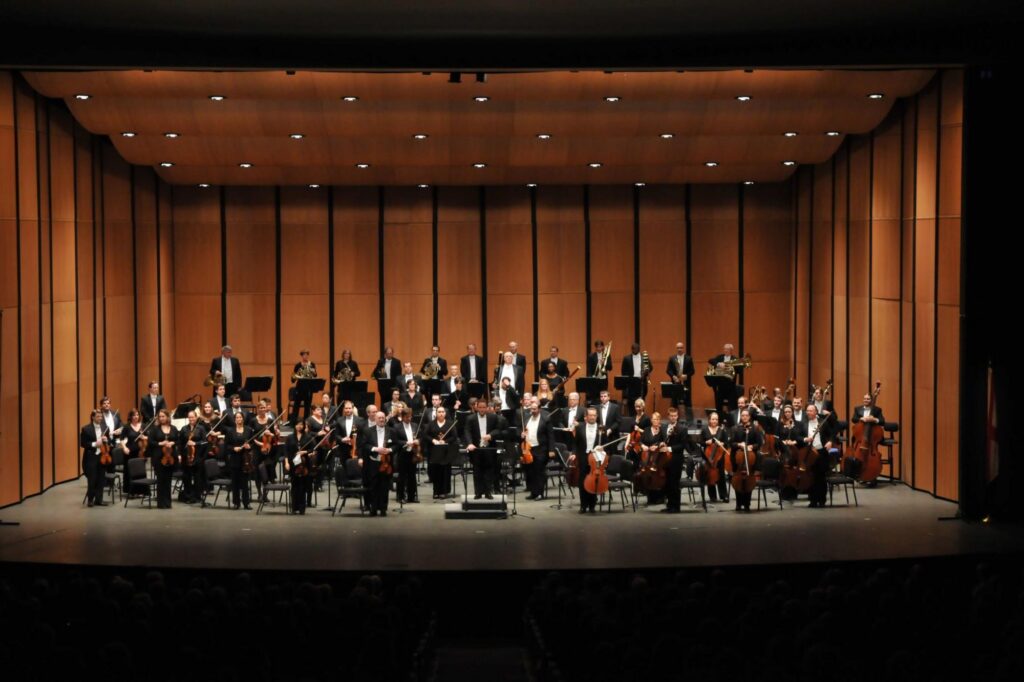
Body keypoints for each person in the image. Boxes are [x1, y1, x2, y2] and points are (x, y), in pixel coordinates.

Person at [519, 396, 555, 500]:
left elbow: (551, 436)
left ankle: (540, 493)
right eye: (531, 409)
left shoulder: (545, 419)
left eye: (534, 409)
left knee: (539, 471)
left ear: (539, 409)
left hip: (541, 449)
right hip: (529, 449)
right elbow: (523, 431)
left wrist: (551, 450)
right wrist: (522, 434)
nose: (533, 411)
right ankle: (533, 492)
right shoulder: (527, 418)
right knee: (531, 472)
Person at [464, 398, 499, 499]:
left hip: (489, 448)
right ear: (476, 407)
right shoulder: (470, 418)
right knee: (477, 471)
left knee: (489, 471)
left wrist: (491, 435)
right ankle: (478, 493)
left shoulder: (493, 417)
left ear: (487, 407)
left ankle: (488, 492)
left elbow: (498, 430)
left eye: (484, 407)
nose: (482, 409)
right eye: (480, 407)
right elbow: (467, 431)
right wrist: (470, 443)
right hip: (476, 449)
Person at [569, 407, 602, 513]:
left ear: (596, 416)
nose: (592, 417)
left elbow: (606, 444)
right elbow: (575, 443)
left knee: (594, 481)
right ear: (586, 417)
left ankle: (592, 505)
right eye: (590, 415)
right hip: (583, 457)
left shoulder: (601, 428)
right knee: (582, 481)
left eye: (594, 415)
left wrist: (602, 448)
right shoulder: (580, 427)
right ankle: (583, 505)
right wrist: (574, 453)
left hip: (596, 458)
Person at [361, 411, 394, 516]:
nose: (381, 419)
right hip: (373, 463)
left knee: (384, 486)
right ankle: (373, 508)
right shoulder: (368, 431)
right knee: (373, 486)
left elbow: (396, 445)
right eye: (379, 418)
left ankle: (383, 508)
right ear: (375, 419)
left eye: (383, 418)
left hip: (386, 463)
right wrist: (375, 449)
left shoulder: (391, 431)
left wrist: (389, 450)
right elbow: (364, 445)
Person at [730, 408, 762, 511]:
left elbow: (759, 443)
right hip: (737, 458)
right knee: (737, 480)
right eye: (742, 415)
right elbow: (731, 443)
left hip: (750, 458)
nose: (744, 417)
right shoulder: (735, 428)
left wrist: (752, 446)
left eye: (746, 415)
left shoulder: (755, 428)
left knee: (749, 480)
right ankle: (738, 504)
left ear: (749, 417)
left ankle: (747, 504)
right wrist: (739, 444)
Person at [423, 406, 458, 499]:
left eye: (443, 412)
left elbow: (454, 436)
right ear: (436, 414)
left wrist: (445, 441)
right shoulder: (431, 424)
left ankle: (444, 491)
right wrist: (433, 440)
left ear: (445, 414)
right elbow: (425, 435)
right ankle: (436, 491)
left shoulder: (450, 424)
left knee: (445, 471)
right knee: (435, 471)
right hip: (434, 451)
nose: (441, 413)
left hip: (446, 452)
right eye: (439, 412)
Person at [803, 404, 835, 507]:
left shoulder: (822, 422)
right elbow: (798, 435)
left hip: (821, 452)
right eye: (807, 411)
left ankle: (821, 500)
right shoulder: (803, 423)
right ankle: (812, 500)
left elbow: (832, 434)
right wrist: (804, 439)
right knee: (810, 476)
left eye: (811, 411)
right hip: (809, 453)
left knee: (821, 477)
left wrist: (830, 442)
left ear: (816, 412)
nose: (808, 412)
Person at [148, 409, 179, 509]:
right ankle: (161, 503)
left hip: (171, 457)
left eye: (163, 416)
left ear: (167, 417)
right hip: (158, 457)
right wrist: (160, 443)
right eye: (160, 416)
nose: (161, 418)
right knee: (161, 480)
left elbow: (178, 440)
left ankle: (168, 502)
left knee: (168, 480)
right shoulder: (155, 429)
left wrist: (173, 443)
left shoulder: (173, 428)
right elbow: (150, 442)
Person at [390, 407, 421, 504]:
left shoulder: (415, 425)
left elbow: (420, 437)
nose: (409, 419)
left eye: (410, 417)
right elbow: (395, 441)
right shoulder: (396, 427)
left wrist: (418, 441)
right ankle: (401, 496)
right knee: (402, 476)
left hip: (413, 454)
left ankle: (412, 496)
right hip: (402, 454)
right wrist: (406, 443)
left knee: (412, 475)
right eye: (407, 417)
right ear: (402, 417)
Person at [224, 410, 253, 509]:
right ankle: (236, 502)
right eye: (237, 417)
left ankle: (246, 503)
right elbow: (226, 446)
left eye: (240, 417)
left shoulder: (248, 430)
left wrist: (249, 446)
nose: (239, 419)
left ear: (243, 419)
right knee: (235, 482)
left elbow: (252, 444)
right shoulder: (230, 431)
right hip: (234, 459)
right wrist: (234, 448)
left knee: (245, 482)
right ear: (234, 420)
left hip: (245, 459)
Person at [283, 420, 314, 514]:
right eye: (297, 424)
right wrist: (286, 463)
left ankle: (301, 508)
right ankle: (294, 507)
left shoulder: (308, 437)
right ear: (295, 425)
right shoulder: (290, 437)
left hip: (304, 464)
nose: (299, 426)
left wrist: (304, 452)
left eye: (301, 424)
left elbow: (312, 449)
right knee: (294, 486)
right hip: (293, 464)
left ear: (304, 426)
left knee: (303, 486)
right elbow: (286, 451)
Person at [661, 407, 688, 512]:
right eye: (671, 416)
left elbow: (682, 445)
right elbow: (662, 440)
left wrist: (669, 448)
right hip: (665, 460)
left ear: (677, 416)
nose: (673, 418)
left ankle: (676, 507)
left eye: (675, 416)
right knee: (667, 483)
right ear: (668, 416)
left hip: (676, 460)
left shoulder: (682, 428)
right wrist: (661, 444)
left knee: (674, 483)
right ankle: (669, 505)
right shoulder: (664, 427)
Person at [699, 411, 730, 503]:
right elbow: (700, 442)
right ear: (709, 420)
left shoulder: (722, 430)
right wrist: (706, 442)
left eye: (716, 419)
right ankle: (712, 496)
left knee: (721, 475)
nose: (714, 421)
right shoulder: (705, 430)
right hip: (708, 455)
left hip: (719, 456)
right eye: (713, 419)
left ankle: (723, 495)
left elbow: (727, 443)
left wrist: (722, 443)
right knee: (710, 474)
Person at [80, 409, 108, 507]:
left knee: (101, 479)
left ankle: (99, 500)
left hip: (102, 456)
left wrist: (106, 440)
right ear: (92, 417)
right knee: (92, 479)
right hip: (91, 457)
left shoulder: (105, 427)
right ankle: (90, 500)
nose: (100, 418)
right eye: (98, 416)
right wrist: (95, 444)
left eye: (101, 416)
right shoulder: (86, 429)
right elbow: (83, 443)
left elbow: (109, 441)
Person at [177, 411, 207, 504]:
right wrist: (179, 454)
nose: (191, 419)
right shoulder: (184, 429)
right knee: (187, 477)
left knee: (197, 477)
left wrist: (195, 443)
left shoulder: (201, 428)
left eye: (192, 417)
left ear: (196, 417)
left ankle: (197, 496)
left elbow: (204, 442)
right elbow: (180, 443)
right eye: (189, 417)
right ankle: (188, 496)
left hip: (197, 456)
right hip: (186, 456)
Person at [289, 349, 318, 422]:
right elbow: (293, 379)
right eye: (304, 355)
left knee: (307, 407)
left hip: (309, 388)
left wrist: (313, 372)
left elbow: (315, 375)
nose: (305, 356)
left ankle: (306, 423)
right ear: (301, 356)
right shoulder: (298, 365)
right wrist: (296, 376)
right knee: (296, 406)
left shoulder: (312, 364)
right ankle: (293, 422)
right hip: (299, 388)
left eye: (307, 354)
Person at [666, 342, 695, 410]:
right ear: (676, 349)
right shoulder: (672, 358)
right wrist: (673, 376)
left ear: (683, 348)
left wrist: (686, 375)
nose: (679, 349)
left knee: (687, 403)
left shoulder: (689, 358)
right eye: (678, 348)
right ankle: (674, 416)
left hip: (686, 383)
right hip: (675, 383)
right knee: (674, 402)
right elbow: (668, 370)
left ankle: (688, 417)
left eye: (681, 348)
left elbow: (692, 371)